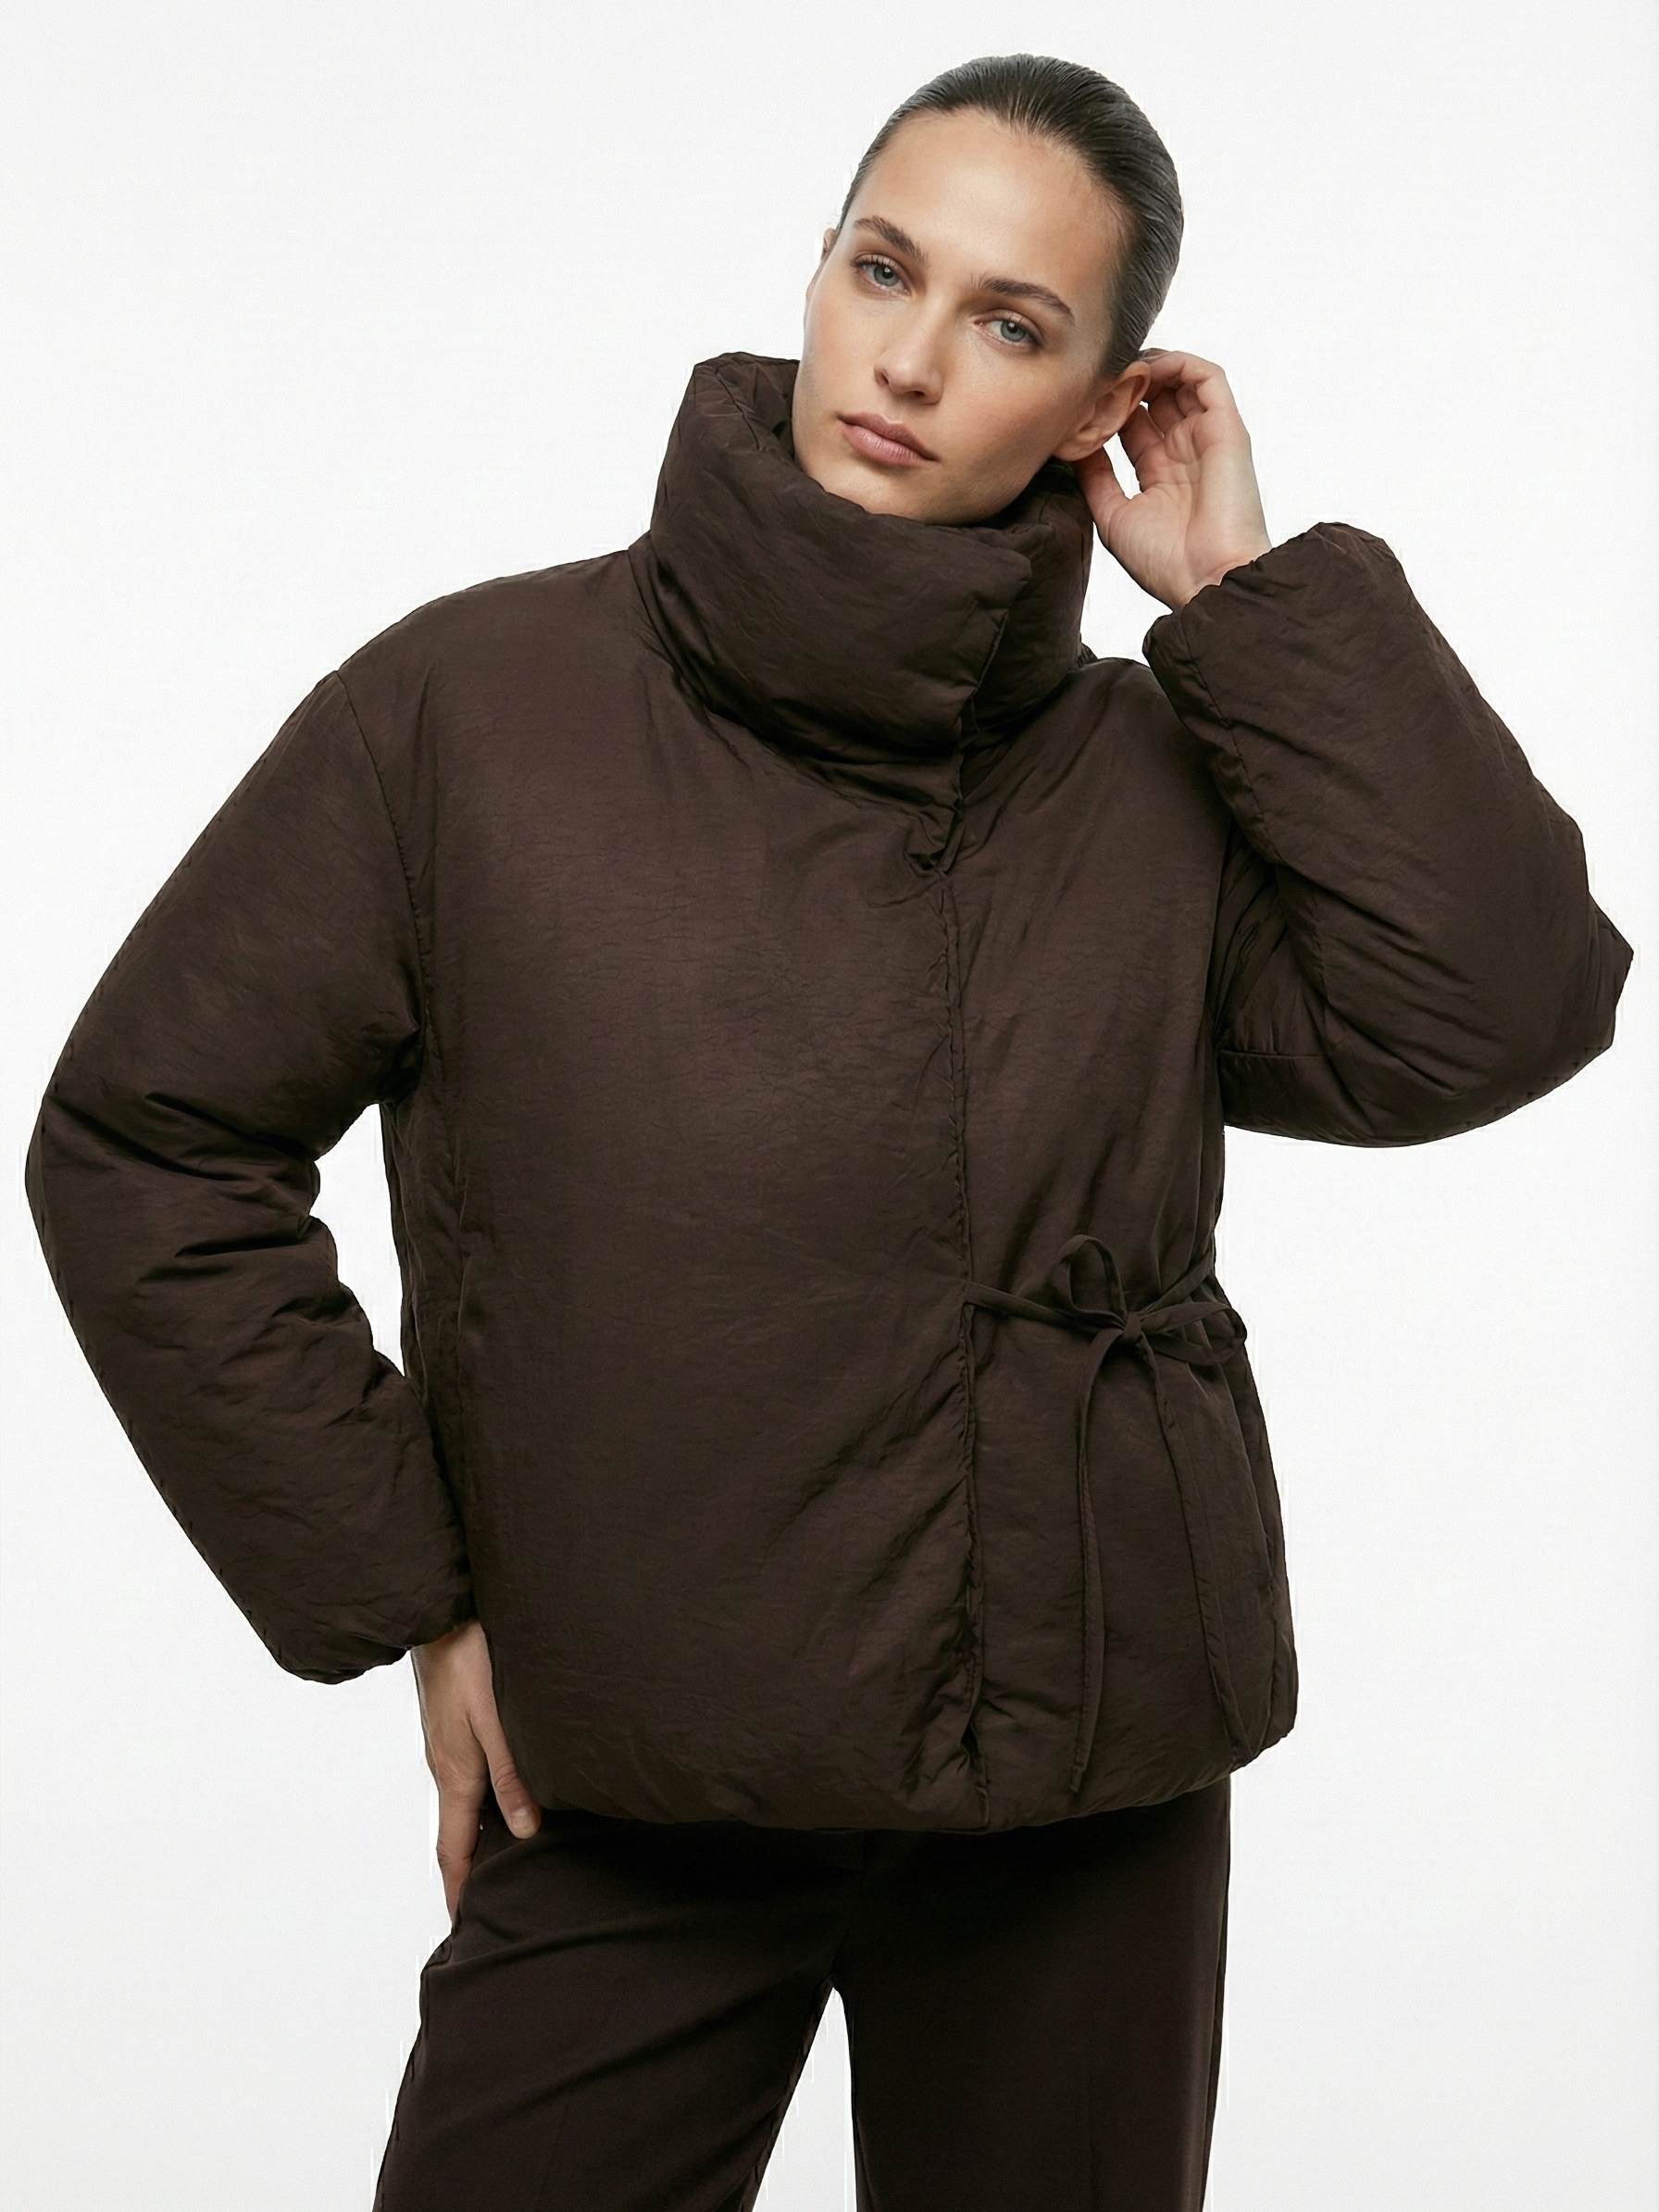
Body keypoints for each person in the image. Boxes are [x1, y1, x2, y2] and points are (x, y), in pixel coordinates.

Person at [24, 50, 1631, 2212]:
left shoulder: (1149, 776)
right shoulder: (465, 712)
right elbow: (148, 1142)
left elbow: (1493, 1006)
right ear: (816, 268)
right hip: (626, 1774)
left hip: (1081, 1773)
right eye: (882, 269)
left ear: (1096, 405)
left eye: (1008, 322)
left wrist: (1244, 602)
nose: (906, 359)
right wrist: (409, 1588)